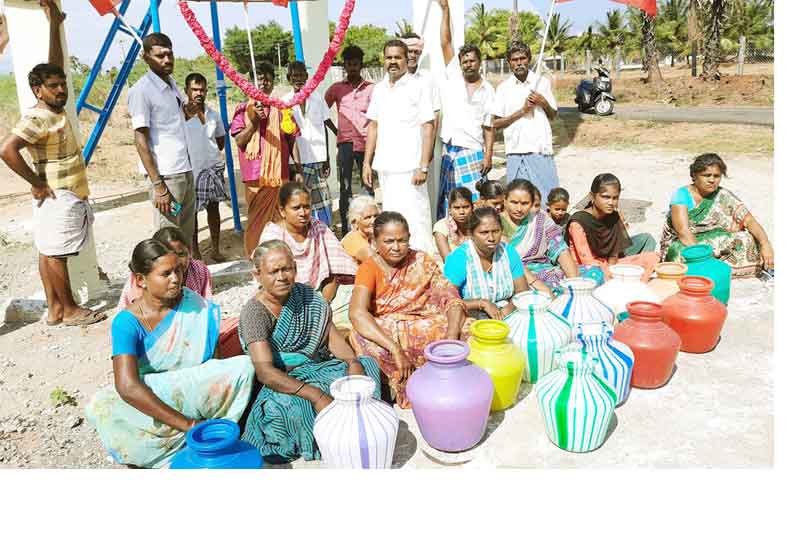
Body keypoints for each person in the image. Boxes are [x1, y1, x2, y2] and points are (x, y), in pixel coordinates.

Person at [85, 239, 255, 468]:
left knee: (244, 366)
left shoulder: (195, 304)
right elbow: (127, 386)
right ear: (141, 280)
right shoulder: (126, 322)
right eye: (165, 273)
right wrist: (189, 425)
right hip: (156, 396)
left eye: (178, 270)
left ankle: (206, 431)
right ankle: (194, 434)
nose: (176, 278)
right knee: (101, 404)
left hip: (196, 390)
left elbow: (214, 362)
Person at [0, 1, 105, 327]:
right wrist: (36, 181)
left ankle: (56, 310)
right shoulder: (39, 116)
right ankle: (71, 309)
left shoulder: (52, 107)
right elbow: (7, 150)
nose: (61, 90)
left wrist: (53, 23)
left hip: (60, 192)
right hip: (60, 193)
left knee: (48, 251)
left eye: (62, 85)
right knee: (58, 253)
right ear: (38, 90)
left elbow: (54, 65)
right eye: (54, 87)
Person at [239, 240, 381, 462]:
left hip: (316, 367)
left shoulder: (307, 297)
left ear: (295, 269)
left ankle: (354, 428)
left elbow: (332, 339)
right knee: (290, 410)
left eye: (286, 269)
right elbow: (265, 372)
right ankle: (332, 436)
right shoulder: (254, 313)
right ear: (258, 275)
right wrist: (316, 395)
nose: (282, 276)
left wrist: (353, 363)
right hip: (283, 382)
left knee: (368, 366)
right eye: (273, 271)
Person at [349, 212, 467, 408]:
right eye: (388, 241)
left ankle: (447, 384)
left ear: (409, 238)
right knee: (359, 337)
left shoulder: (421, 260)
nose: (396, 247)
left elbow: (449, 295)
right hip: (388, 328)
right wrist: (394, 348)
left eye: (402, 240)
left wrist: (452, 334)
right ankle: (399, 390)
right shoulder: (369, 268)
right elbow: (357, 313)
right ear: (375, 242)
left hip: (425, 321)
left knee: (468, 329)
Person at [363, 40, 436, 254]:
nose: (393, 62)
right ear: (383, 60)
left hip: (411, 169)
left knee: (416, 220)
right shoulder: (378, 90)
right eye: (389, 57)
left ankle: (423, 266)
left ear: (407, 59)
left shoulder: (418, 87)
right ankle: (396, 267)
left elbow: (428, 128)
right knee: (391, 219)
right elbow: (373, 127)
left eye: (397, 57)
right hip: (386, 167)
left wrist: (423, 166)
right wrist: (367, 163)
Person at [128, 33, 196, 244]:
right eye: (160, 56)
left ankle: (186, 277)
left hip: (184, 170)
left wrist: (190, 110)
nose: (167, 60)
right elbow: (140, 140)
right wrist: (159, 186)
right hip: (167, 178)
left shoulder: (171, 83)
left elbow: (178, 119)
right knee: (168, 239)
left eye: (169, 54)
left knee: (185, 233)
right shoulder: (141, 91)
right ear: (146, 58)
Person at [659, 153, 774, 277]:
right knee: (679, 252)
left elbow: (749, 221)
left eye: (717, 176)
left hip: (712, 240)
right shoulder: (681, 195)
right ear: (694, 176)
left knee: (748, 238)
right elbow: (683, 232)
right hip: (685, 242)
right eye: (706, 175)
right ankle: (710, 268)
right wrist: (703, 257)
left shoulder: (722, 194)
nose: (712, 180)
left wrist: (765, 244)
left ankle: (724, 268)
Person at [230, 61, 302, 257]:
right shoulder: (243, 110)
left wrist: (298, 169)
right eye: (260, 79)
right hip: (254, 176)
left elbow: (292, 139)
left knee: (281, 219)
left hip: (281, 176)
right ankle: (256, 260)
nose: (264, 83)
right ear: (252, 82)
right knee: (256, 222)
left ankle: (280, 258)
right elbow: (240, 141)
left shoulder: (282, 109)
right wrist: (254, 122)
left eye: (268, 80)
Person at [435, 0, 494, 218]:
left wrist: (488, 156)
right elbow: (445, 42)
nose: (468, 64)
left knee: (473, 201)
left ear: (479, 62)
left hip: (473, 150)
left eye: (472, 60)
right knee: (450, 199)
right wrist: (446, 10)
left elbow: (489, 127)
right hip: (451, 149)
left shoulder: (488, 90)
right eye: (464, 61)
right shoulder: (453, 77)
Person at [444, 207, 549, 321]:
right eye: (484, 233)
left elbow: (522, 291)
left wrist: (507, 310)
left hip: (507, 312)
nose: (491, 238)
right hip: (470, 316)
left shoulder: (508, 252)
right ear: (471, 234)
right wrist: (482, 304)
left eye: (496, 231)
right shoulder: (460, 257)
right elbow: (447, 299)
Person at [259, 183, 357, 304]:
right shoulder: (273, 235)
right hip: (284, 297)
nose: (303, 213)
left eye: (306, 207)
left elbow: (333, 273)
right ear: (282, 211)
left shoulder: (319, 228)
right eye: (296, 208)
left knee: (354, 296)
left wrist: (323, 306)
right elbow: (272, 280)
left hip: (319, 294)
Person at [492, 41, 560, 206]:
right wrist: (522, 111)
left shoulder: (541, 83)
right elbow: (496, 123)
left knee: (546, 201)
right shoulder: (503, 88)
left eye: (522, 58)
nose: (519, 62)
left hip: (539, 150)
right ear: (509, 62)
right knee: (518, 203)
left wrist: (542, 101)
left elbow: (553, 115)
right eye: (514, 59)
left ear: (528, 59)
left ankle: (546, 232)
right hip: (515, 151)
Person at [565, 174, 659, 281]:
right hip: (589, 268)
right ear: (592, 196)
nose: (611, 202)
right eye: (605, 197)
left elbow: (614, 254)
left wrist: (612, 269)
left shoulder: (613, 216)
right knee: (597, 274)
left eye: (615, 198)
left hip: (610, 264)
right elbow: (587, 260)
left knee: (651, 252)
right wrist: (611, 272)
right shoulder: (578, 222)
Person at [325, 45, 375, 235]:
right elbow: (321, 111)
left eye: (355, 64)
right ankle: (347, 232)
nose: (352, 67)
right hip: (345, 144)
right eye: (349, 64)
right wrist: (336, 131)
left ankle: (369, 229)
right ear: (344, 66)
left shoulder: (371, 89)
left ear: (361, 65)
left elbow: (377, 118)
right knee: (345, 188)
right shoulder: (336, 89)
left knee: (367, 185)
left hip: (366, 143)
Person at [182, 72, 229, 262]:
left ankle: (215, 248)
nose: (198, 93)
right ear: (187, 91)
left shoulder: (213, 114)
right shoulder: (181, 116)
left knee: (213, 209)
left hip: (212, 168)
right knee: (192, 213)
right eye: (194, 89)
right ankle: (195, 252)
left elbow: (220, 140)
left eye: (202, 89)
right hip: (192, 170)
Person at [285, 61, 336, 226]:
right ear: (289, 78)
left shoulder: (318, 97)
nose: (298, 79)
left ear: (307, 77)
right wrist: (291, 164)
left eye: (301, 76)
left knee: (323, 198)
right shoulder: (284, 101)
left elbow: (324, 126)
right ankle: (305, 230)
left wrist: (327, 157)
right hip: (298, 160)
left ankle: (325, 229)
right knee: (301, 198)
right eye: (295, 76)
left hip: (318, 158)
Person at [503, 179, 579, 288]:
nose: (519, 209)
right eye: (514, 202)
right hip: (515, 275)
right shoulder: (496, 223)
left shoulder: (540, 218)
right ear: (505, 200)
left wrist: (574, 282)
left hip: (544, 270)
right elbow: (508, 261)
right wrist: (539, 286)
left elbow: (559, 247)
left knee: (592, 274)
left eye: (525, 203)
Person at [117, 227, 211, 309]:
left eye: (181, 254)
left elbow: (206, 304)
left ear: (190, 252)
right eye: (169, 255)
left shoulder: (198, 270)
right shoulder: (143, 279)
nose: (176, 261)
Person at [433, 187, 473, 261]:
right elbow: (448, 261)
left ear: (472, 207)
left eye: (466, 207)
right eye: (457, 208)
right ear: (449, 210)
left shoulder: (476, 225)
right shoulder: (441, 227)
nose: (461, 212)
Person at [341, 194, 379, 264]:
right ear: (355, 222)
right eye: (368, 217)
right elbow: (375, 261)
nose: (374, 221)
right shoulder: (352, 239)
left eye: (376, 216)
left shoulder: (371, 237)